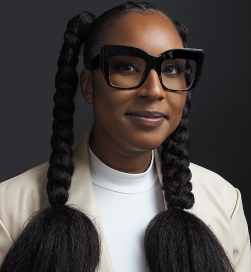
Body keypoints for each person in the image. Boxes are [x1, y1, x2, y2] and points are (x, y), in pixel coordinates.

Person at [0, 1, 250, 271]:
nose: (155, 90)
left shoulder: (224, 201)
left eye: (171, 69)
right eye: (128, 67)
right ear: (88, 86)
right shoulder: (8, 210)